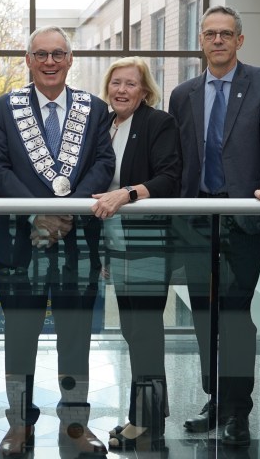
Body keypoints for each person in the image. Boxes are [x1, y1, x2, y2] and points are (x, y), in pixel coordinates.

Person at [0, 26, 115, 457]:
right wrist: (38, 211)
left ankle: (76, 423)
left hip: (77, 240)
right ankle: (19, 423)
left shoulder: (94, 109)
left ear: (71, 59)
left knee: (76, 334)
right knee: (19, 333)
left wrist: (68, 213)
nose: (49, 62)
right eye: (40, 54)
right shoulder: (6, 108)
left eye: (58, 54)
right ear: (28, 60)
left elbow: (102, 163)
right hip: (21, 240)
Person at [167, 5, 260, 446]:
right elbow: (177, 157)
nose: (217, 40)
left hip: (242, 218)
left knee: (235, 316)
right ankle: (214, 398)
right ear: (201, 40)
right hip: (196, 220)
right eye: (210, 34)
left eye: (226, 34)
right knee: (203, 315)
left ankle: (238, 410)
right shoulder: (183, 93)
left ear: (240, 40)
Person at [89, 57, 181, 452]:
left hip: (146, 242)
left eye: (131, 84)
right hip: (114, 243)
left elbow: (169, 176)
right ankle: (144, 416)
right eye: (116, 83)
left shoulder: (158, 123)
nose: (122, 90)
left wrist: (125, 195)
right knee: (132, 330)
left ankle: (146, 422)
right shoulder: (105, 126)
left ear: (145, 91)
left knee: (144, 332)